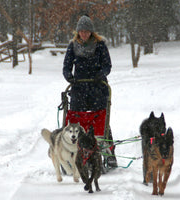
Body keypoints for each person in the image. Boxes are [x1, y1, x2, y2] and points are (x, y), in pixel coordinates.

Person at [63, 15, 117, 168]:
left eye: (87, 31)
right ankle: (74, 151)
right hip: (79, 87)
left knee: (101, 120)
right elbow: (66, 66)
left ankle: (109, 152)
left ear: (91, 32)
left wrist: (102, 74)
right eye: (82, 31)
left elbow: (107, 65)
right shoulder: (72, 46)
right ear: (78, 32)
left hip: (97, 87)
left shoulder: (100, 45)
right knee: (76, 120)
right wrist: (69, 76)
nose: (84, 34)